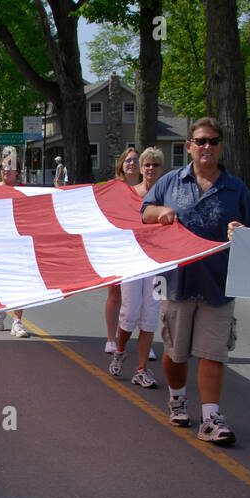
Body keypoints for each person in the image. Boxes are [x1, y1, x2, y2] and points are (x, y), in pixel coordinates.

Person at [141, 118, 250, 444]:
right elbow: (144, 212)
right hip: (177, 281)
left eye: (213, 141)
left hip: (218, 284)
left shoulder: (235, 188)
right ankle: (177, 398)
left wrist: (242, 232)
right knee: (175, 352)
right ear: (189, 146)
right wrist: (161, 211)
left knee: (213, 353)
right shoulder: (170, 182)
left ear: (221, 146)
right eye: (200, 141)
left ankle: (211, 417)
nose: (207, 147)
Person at [109, 147, 166, 386]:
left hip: (160, 264)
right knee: (130, 312)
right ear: (141, 168)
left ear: (161, 169)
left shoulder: (168, 195)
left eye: (155, 165)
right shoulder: (131, 194)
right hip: (133, 261)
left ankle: (141, 368)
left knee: (151, 315)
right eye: (147, 165)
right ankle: (120, 350)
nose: (150, 169)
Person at [104, 146, 142, 353]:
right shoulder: (112, 187)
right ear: (121, 164)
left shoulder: (149, 188)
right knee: (115, 294)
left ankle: (143, 339)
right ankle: (111, 339)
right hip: (119, 246)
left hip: (143, 248)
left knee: (143, 298)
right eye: (128, 160)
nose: (132, 164)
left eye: (136, 160)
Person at [0, 146, 30, 338]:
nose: (7, 169)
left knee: (19, 283)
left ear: (17, 170)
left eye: (11, 166)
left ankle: (17, 322)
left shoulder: (26, 193)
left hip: (18, 244)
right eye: (4, 166)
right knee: (0, 281)